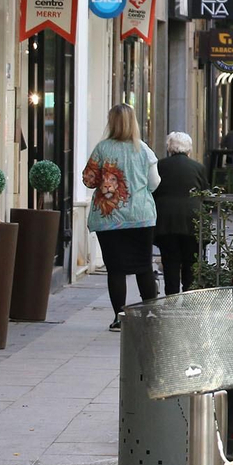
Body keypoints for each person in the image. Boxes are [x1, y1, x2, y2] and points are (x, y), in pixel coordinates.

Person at [83, 104, 160, 330]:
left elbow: (88, 180)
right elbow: (154, 182)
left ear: (111, 122)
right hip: (141, 217)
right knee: (143, 266)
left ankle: (119, 316)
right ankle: (150, 316)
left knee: (115, 269)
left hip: (109, 219)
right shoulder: (143, 149)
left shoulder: (102, 149)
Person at [153, 132, 209, 295]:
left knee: (170, 260)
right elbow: (206, 194)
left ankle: (171, 295)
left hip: (166, 221)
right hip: (192, 220)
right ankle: (188, 294)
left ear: (169, 148)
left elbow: (153, 190)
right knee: (190, 260)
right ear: (189, 149)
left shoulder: (160, 166)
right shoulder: (198, 168)